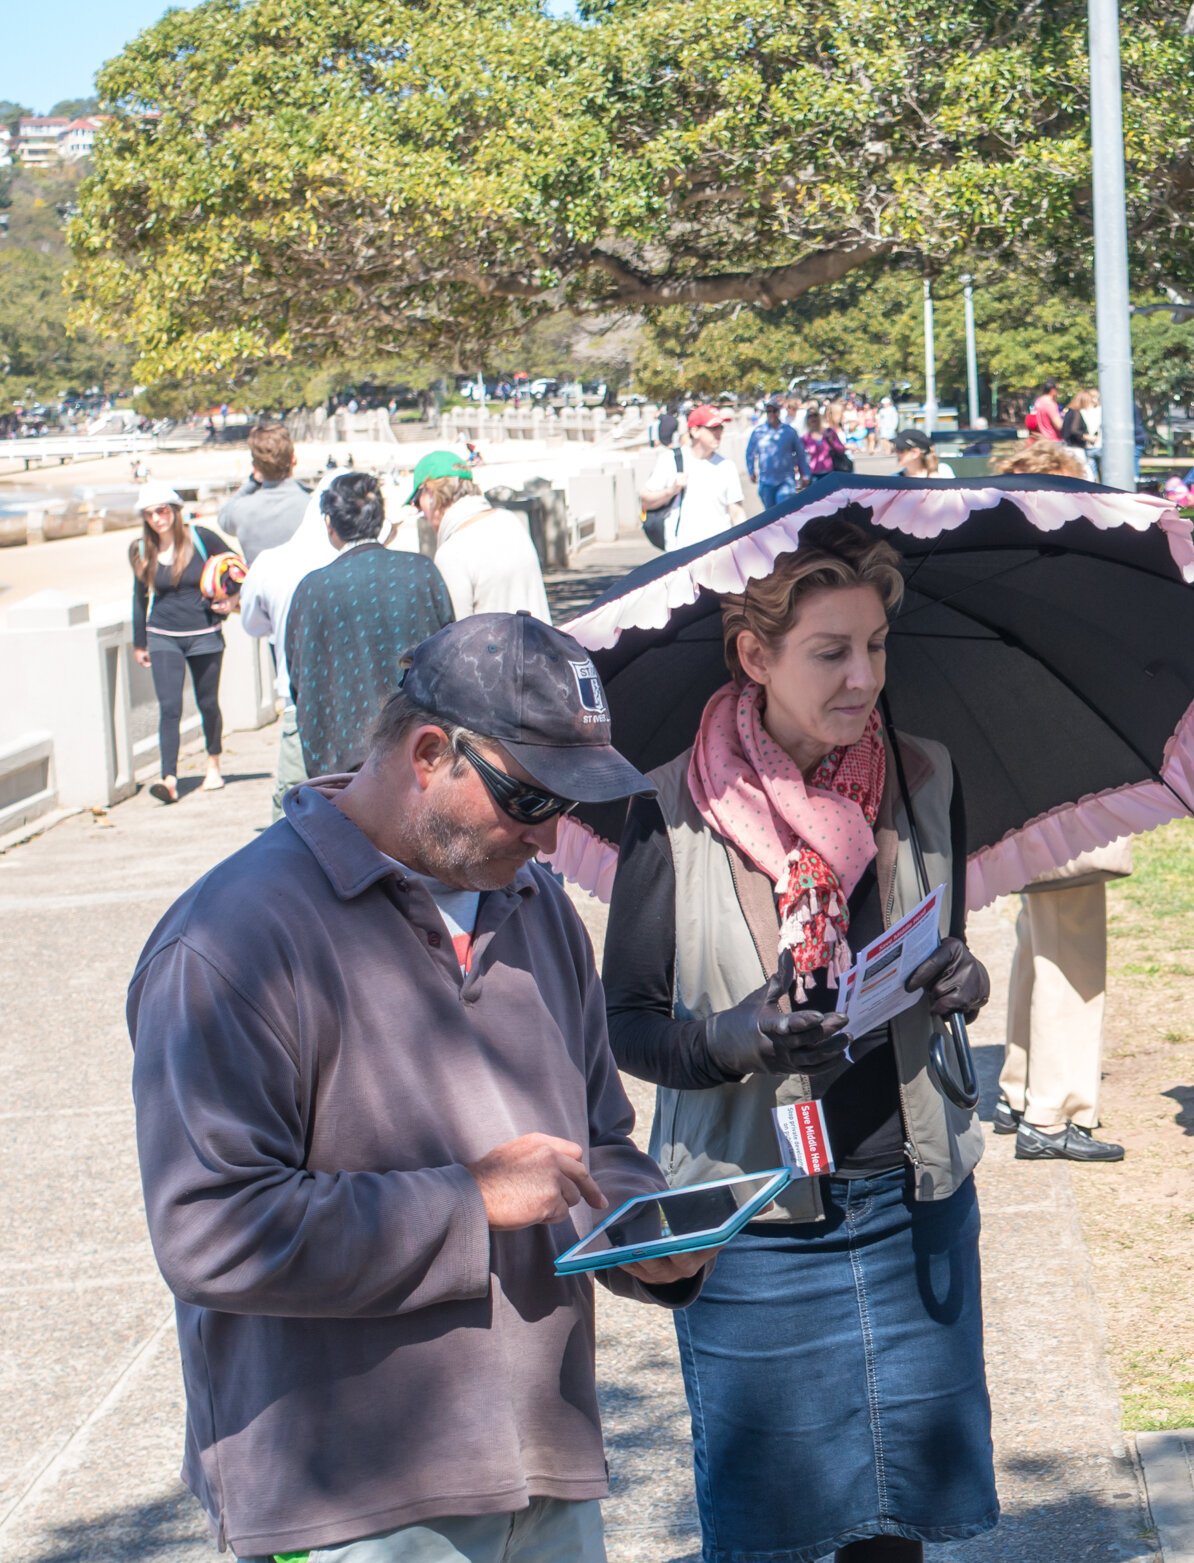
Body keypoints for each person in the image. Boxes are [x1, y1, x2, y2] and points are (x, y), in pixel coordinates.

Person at [127, 613, 709, 1563]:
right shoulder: (230, 937)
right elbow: (211, 1230)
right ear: (429, 752)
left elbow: (600, 1142)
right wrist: (470, 1200)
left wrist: (647, 1235)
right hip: (353, 1501)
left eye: (571, 807)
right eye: (530, 799)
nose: (553, 839)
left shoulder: (540, 910)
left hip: (546, 1466)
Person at [602, 517, 997, 1562]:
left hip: (913, 1201)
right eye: (831, 652)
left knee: (899, 1532)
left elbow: (941, 941)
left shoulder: (925, 775)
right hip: (757, 1223)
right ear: (754, 655)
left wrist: (965, 977)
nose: (864, 678)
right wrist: (736, 1039)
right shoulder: (668, 811)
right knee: (770, 1534)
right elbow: (630, 1029)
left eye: (876, 646)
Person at [984, 437, 1129, 1162]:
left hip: (1007, 779)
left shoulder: (988, 572)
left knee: (1034, 937)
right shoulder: (1064, 577)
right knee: (1072, 950)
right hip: (1062, 780)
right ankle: (1056, 1110)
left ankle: (1017, 1086)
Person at [282, 474, 456, 778]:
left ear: (330, 523)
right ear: (379, 518)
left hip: (345, 766)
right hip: (423, 752)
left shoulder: (312, 589)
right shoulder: (422, 571)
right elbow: (450, 657)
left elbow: (300, 678)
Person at [240, 473, 358, 818]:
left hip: (299, 703)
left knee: (292, 803)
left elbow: (252, 624)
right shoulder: (360, 566)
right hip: (360, 705)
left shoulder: (271, 562)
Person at [129, 482, 239, 804]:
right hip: (163, 635)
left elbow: (238, 566)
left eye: (161, 511)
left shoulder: (202, 538)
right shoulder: (140, 548)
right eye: (149, 514)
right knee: (170, 708)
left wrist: (232, 599)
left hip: (205, 633)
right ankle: (170, 779)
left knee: (207, 703)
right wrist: (140, 642)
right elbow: (139, 598)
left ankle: (214, 764)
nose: (156, 519)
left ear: (175, 511)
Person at [410, 450, 552, 620]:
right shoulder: (510, 521)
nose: (421, 512)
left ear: (430, 494)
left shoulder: (452, 553)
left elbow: (457, 636)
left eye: (416, 502)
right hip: (541, 644)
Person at [639, 404, 747, 551]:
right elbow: (646, 501)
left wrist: (746, 548)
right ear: (695, 431)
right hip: (681, 554)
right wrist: (671, 490)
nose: (719, 432)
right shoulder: (670, 460)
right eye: (713, 428)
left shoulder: (727, 466)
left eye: (721, 427)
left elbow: (737, 513)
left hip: (719, 554)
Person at [215, 422, 309, 561]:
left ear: (255, 466)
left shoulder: (241, 509)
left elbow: (223, 519)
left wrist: (252, 483)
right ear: (293, 459)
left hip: (258, 582)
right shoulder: (313, 505)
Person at [746, 396, 812, 511]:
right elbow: (750, 452)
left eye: (774, 411)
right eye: (768, 411)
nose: (771, 414)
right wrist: (751, 470)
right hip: (766, 481)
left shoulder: (789, 431)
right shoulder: (758, 432)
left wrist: (805, 474)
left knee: (784, 511)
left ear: (779, 412)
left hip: (786, 480)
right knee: (770, 514)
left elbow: (801, 454)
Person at [804, 406, 851, 479]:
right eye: (810, 416)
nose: (813, 418)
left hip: (831, 471)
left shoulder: (829, 432)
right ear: (807, 419)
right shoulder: (805, 438)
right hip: (814, 473)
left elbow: (841, 449)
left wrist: (832, 442)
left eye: (815, 415)